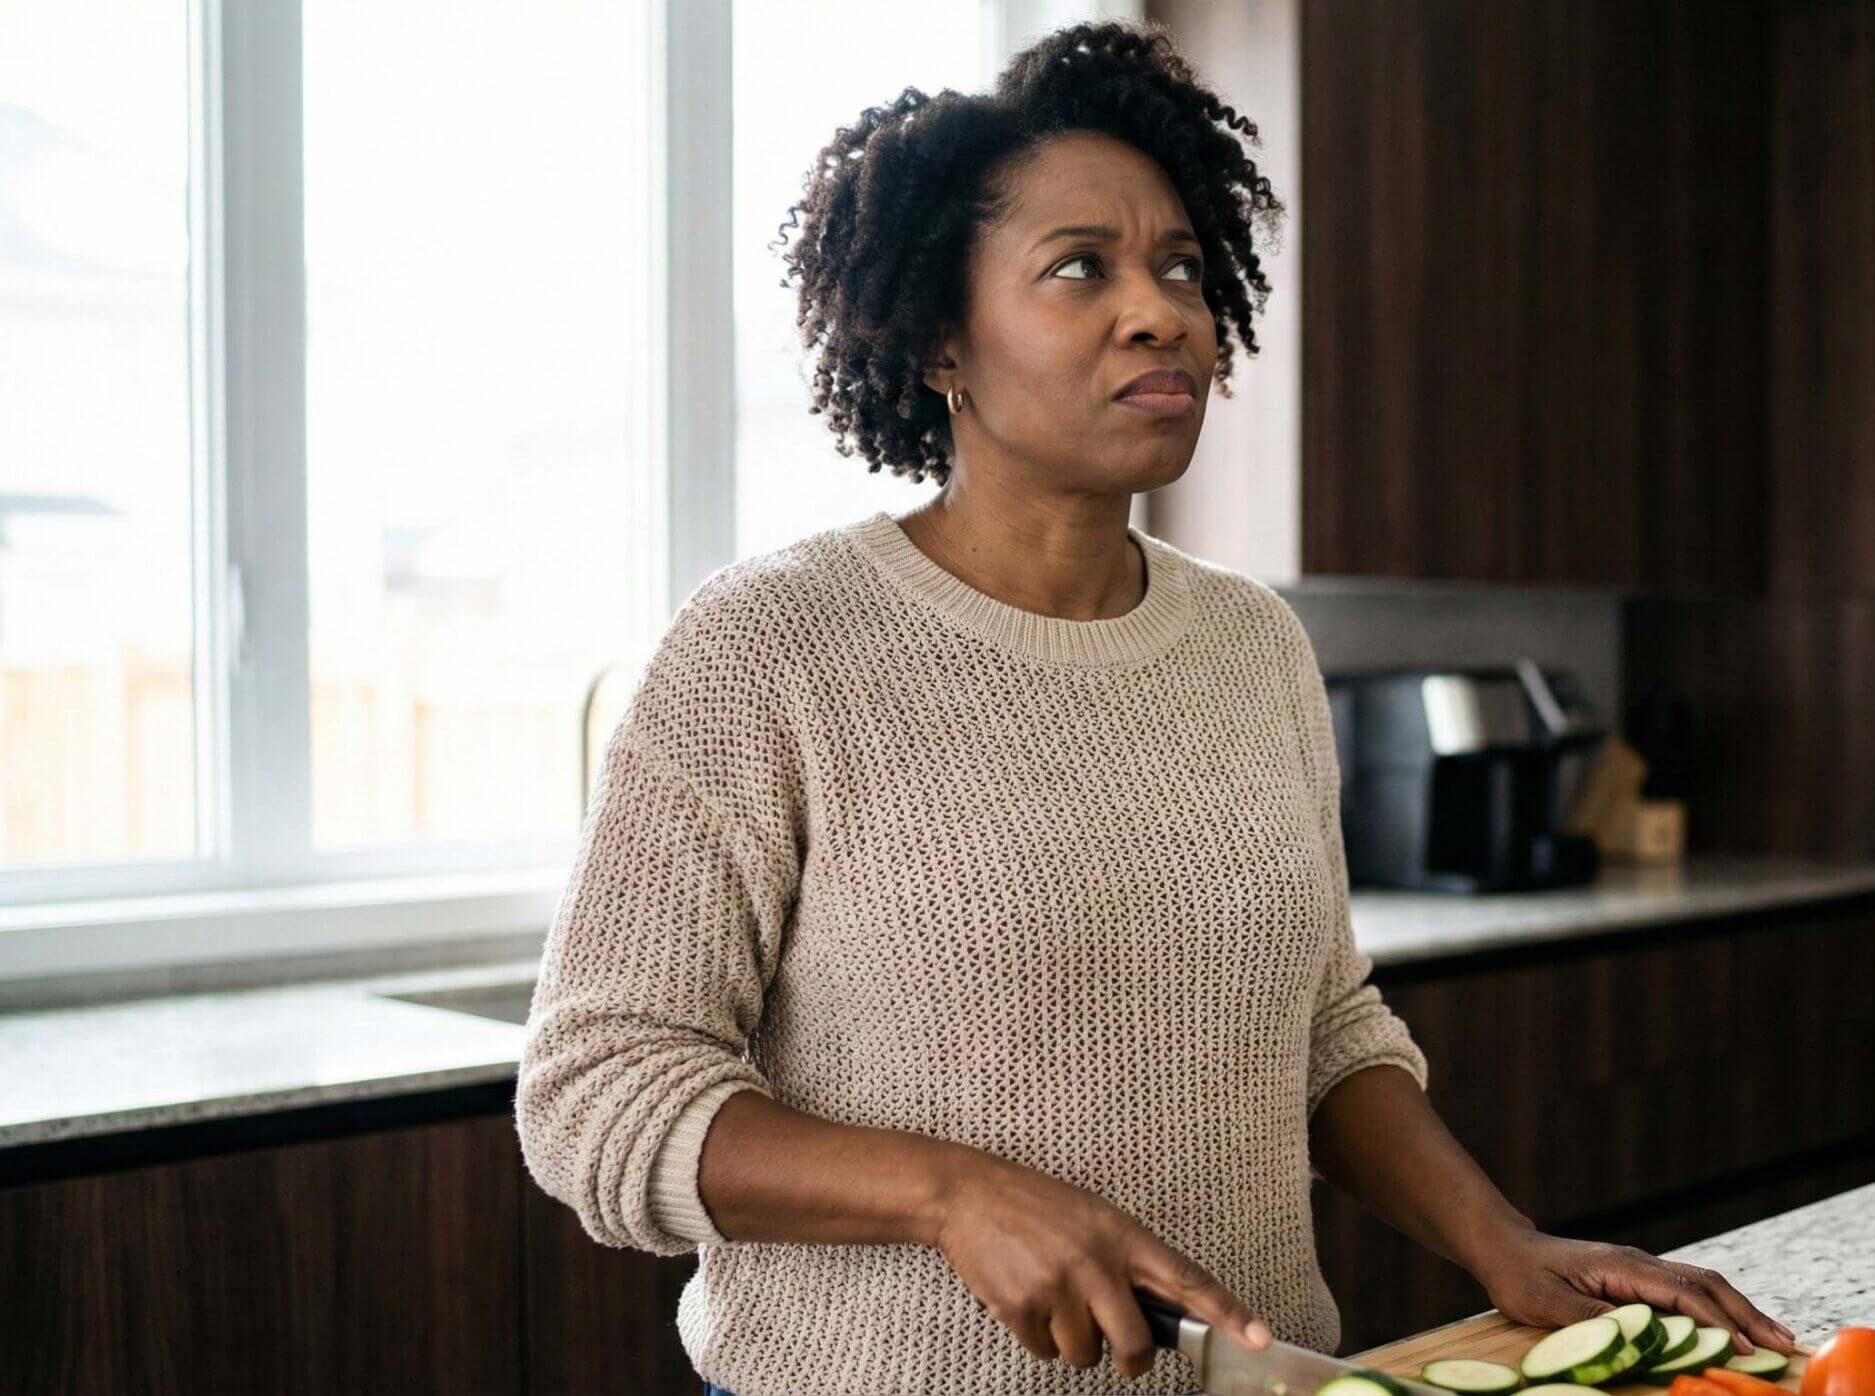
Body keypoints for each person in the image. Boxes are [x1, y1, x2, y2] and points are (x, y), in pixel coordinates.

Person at [514, 19, 1794, 1395]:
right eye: (1080, 270)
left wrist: (1502, 1242)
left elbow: (1327, 1038)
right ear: (943, 341)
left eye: (1182, 267)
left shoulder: (1253, 648)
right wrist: (951, 1193)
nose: (1161, 309)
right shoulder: (770, 649)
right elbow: (596, 1091)